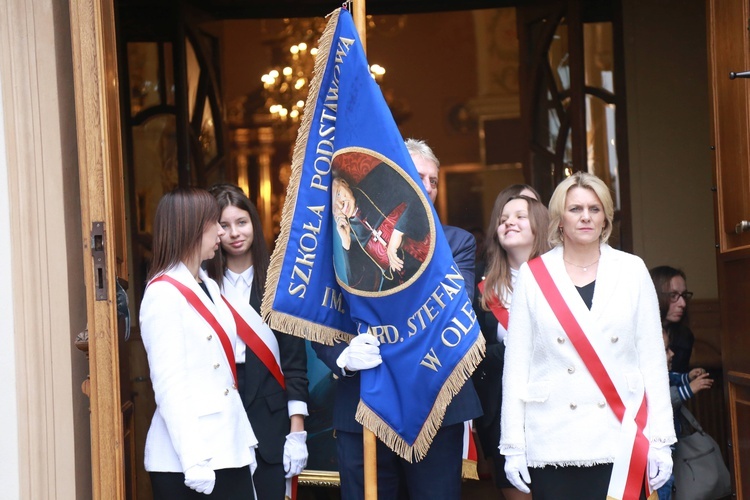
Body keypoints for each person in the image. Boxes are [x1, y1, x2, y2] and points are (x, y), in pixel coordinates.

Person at [312, 138, 482, 499]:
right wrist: (342, 356)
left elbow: (458, 306)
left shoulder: (457, 243)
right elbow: (321, 311)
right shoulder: (343, 243)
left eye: (434, 180)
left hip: (434, 402)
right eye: (419, 176)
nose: (429, 186)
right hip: (362, 404)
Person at [500, 172, 676, 499]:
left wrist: (662, 440)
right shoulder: (534, 275)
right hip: (553, 439)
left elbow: (652, 361)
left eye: (595, 209)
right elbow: (516, 366)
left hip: (620, 437)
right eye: (575, 209)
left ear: (606, 219)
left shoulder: (632, 270)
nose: (585, 217)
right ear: (559, 219)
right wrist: (513, 444)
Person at [139, 187, 257, 499]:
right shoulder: (163, 294)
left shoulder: (208, 285)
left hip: (228, 448)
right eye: (213, 223)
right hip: (189, 461)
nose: (221, 231)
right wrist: (194, 460)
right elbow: (170, 385)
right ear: (190, 228)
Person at [206, 183, 310, 499]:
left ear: (254, 222)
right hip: (220, 426)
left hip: (271, 427)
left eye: (242, 222)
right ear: (212, 231)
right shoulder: (204, 287)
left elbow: (294, 365)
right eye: (224, 225)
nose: (235, 233)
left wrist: (297, 432)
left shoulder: (279, 284)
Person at [473, 184, 548, 500]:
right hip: (503, 416)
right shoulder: (482, 289)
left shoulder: (563, 278)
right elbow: (472, 354)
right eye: (504, 217)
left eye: (522, 213)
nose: (511, 222)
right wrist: (514, 350)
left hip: (555, 414)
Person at [331, 159, 430, 292]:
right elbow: (362, 290)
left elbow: (419, 195)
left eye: (338, 194)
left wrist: (398, 232)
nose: (341, 205)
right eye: (334, 206)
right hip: (408, 288)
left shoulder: (380, 177)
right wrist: (346, 243)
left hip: (429, 258)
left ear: (344, 183)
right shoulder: (351, 235)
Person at [657, 329, 713, 500]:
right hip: (658, 457)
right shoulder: (649, 381)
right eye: (666, 349)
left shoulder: (661, 374)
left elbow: (670, 377)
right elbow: (663, 399)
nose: (672, 353)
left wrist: (687, 377)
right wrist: (690, 389)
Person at [649, 266, 695, 373]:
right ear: (655, 295)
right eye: (673, 295)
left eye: (684, 295)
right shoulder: (638, 335)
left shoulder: (684, 336)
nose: (683, 304)